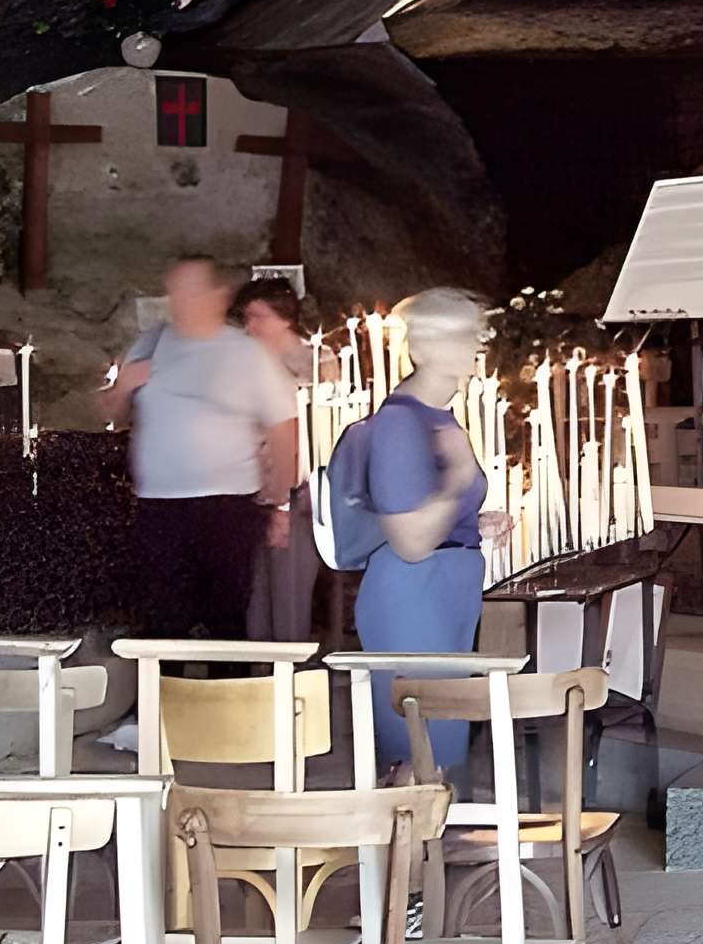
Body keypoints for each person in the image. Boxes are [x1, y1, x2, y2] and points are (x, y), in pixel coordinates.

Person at [335, 288, 491, 778]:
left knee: (433, 755)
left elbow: (425, 511)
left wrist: (472, 520)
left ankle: (417, 831)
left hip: (443, 592)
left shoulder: (435, 417)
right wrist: (458, 481)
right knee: (421, 756)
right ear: (422, 348)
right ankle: (404, 832)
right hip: (413, 596)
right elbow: (410, 540)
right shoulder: (401, 423)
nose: (479, 343)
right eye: (464, 334)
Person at [109, 257, 298, 646]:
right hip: (159, 506)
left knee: (226, 621)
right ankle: (167, 687)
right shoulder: (150, 344)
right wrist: (122, 388)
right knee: (162, 622)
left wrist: (280, 502)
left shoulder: (246, 354)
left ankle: (226, 685)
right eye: (175, 291)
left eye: (191, 291)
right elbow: (115, 414)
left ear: (217, 296)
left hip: (228, 507)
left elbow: (283, 429)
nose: (181, 300)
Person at [232, 274, 323, 645]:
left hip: (297, 493)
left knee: (288, 596)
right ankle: (260, 671)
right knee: (255, 595)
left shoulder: (316, 365)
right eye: (246, 318)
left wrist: (283, 504)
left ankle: (289, 673)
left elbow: (305, 436)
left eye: (258, 317)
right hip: (252, 491)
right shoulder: (251, 364)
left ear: (284, 318)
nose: (249, 327)